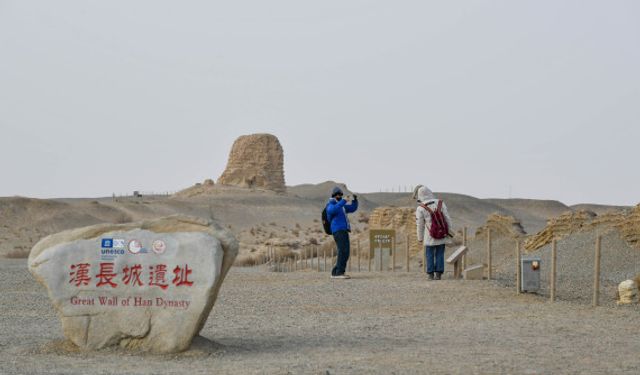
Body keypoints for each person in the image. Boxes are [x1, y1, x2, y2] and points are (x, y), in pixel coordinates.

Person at [414, 185, 453, 280]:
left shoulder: (420, 208)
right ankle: (439, 274)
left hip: (429, 235)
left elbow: (420, 225)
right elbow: (447, 218)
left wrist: (419, 237)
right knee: (440, 253)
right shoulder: (440, 203)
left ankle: (430, 274)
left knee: (429, 254)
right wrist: (450, 231)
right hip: (441, 234)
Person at [326, 186, 359, 279]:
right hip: (337, 230)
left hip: (344, 230)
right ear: (333, 195)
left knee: (346, 251)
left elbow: (352, 208)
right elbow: (333, 210)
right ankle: (338, 272)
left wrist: (355, 200)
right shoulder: (331, 204)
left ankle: (336, 272)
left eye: (340, 194)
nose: (339, 196)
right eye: (337, 194)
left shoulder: (342, 206)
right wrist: (343, 201)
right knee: (342, 251)